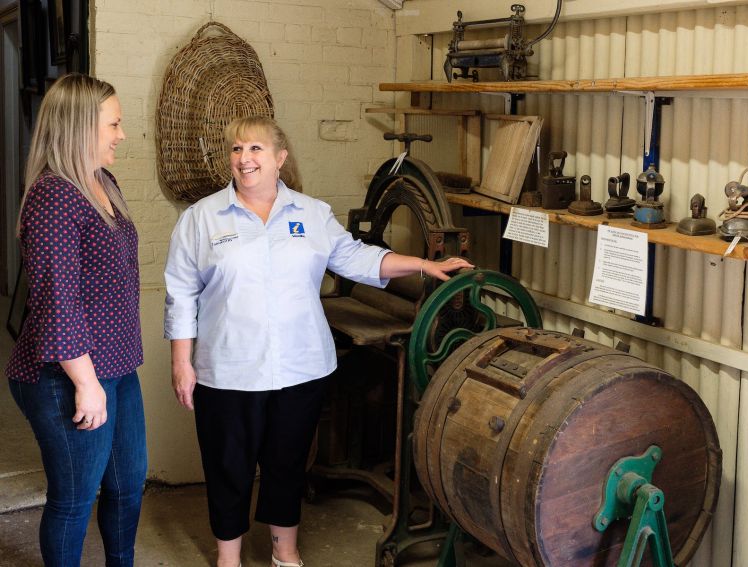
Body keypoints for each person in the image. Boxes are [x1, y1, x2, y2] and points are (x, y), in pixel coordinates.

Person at [164, 116, 472, 567]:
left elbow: (355, 257)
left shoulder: (311, 214)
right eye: (236, 149)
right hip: (227, 369)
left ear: (280, 159)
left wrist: (424, 265)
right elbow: (180, 291)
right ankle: (227, 559)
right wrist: (181, 361)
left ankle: (284, 552)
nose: (244, 159)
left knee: (286, 464)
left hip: (300, 367)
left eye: (255, 150)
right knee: (227, 467)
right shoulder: (201, 218)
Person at [5, 73, 147, 567]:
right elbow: (56, 302)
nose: (121, 135)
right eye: (114, 124)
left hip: (116, 367)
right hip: (65, 375)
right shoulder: (52, 197)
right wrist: (87, 385)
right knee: (74, 499)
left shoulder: (102, 182)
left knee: (128, 487)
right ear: (80, 126)